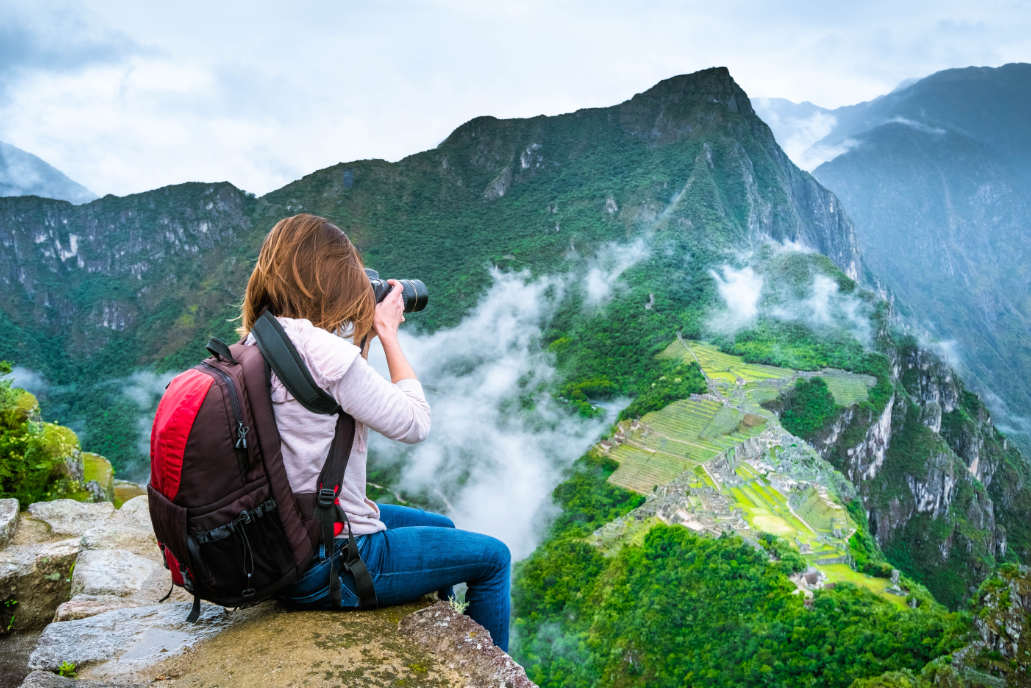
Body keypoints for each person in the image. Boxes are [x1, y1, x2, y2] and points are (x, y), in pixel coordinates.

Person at [236, 213, 511, 651]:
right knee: (494, 558)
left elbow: (335, 398)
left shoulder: (263, 339)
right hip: (332, 560)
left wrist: (356, 329)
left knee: (442, 525)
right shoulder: (327, 354)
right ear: (327, 279)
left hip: (286, 540)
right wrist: (385, 332)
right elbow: (414, 423)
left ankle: (439, 635)